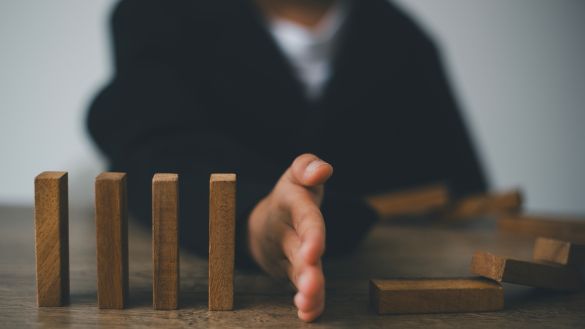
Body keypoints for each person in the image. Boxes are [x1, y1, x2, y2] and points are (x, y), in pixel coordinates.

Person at [87, 0, 486, 322]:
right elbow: (152, 149)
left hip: (377, 266)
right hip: (218, 247)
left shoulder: (403, 38)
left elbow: (462, 190)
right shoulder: (157, 13)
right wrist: (256, 218)